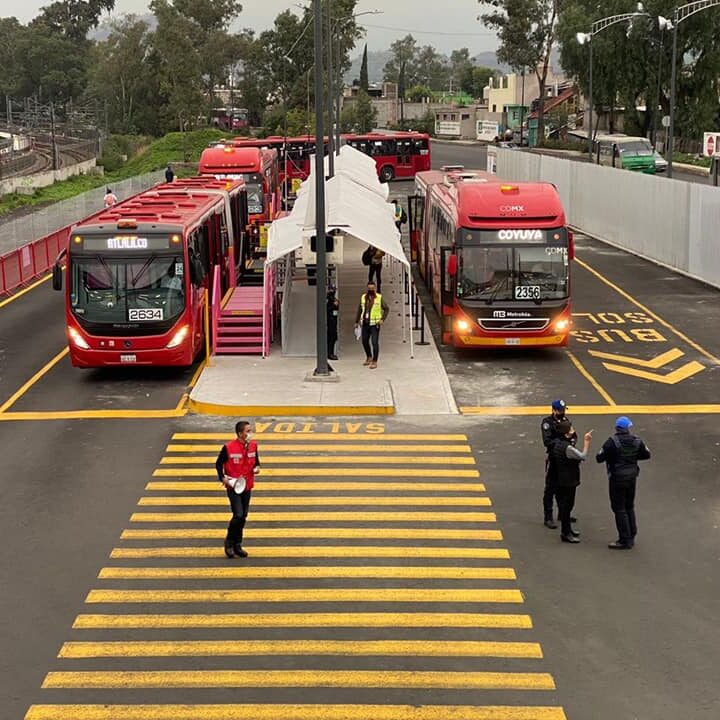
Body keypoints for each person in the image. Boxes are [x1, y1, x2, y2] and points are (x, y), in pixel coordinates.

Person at [596, 417, 651, 550]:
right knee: (629, 506)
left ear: (617, 429)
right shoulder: (637, 441)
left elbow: (599, 458)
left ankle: (624, 539)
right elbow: (646, 455)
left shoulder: (612, 442)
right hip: (632, 477)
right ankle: (632, 533)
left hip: (617, 478)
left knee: (619, 508)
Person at [215, 421, 260, 558]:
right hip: (234, 486)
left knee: (244, 515)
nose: (250, 434)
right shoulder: (228, 447)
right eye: (248, 431)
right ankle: (229, 541)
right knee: (238, 515)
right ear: (240, 433)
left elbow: (256, 461)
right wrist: (222, 478)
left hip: (247, 485)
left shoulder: (253, 446)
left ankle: (237, 544)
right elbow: (218, 464)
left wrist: (257, 468)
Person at [550, 420, 592, 543]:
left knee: (565, 506)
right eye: (571, 429)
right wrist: (586, 442)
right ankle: (565, 533)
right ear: (566, 433)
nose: (573, 430)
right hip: (568, 480)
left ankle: (568, 529)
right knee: (567, 506)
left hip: (560, 478)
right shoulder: (567, 448)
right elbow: (582, 456)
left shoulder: (558, 444)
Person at [541, 400, 577, 529]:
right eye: (560, 410)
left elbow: (573, 436)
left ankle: (563, 513)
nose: (562, 413)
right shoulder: (547, 423)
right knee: (550, 488)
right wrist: (562, 444)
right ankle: (548, 517)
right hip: (554, 458)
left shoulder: (566, 421)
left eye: (563, 410)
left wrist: (569, 442)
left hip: (565, 459)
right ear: (554, 410)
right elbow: (547, 441)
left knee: (563, 487)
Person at [354, 280, 389, 370]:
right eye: (369, 288)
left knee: (374, 342)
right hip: (365, 323)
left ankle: (374, 361)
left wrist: (382, 319)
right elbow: (360, 309)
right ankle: (369, 356)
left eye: (372, 288)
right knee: (364, 341)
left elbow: (386, 308)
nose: (371, 290)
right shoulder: (363, 297)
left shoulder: (379, 298)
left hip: (375, 324)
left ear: (375, 288)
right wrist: (356, 321)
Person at [327, 284, 339, 361]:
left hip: (334, 320)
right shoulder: (328, 298)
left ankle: (330, 352)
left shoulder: (333, 298)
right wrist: (334, 305)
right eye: (331, 289)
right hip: (330, 320)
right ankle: (329, 353)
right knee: (331, 337)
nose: (333, 291)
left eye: (334, 289)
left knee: (334, 337)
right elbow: (327, 309)